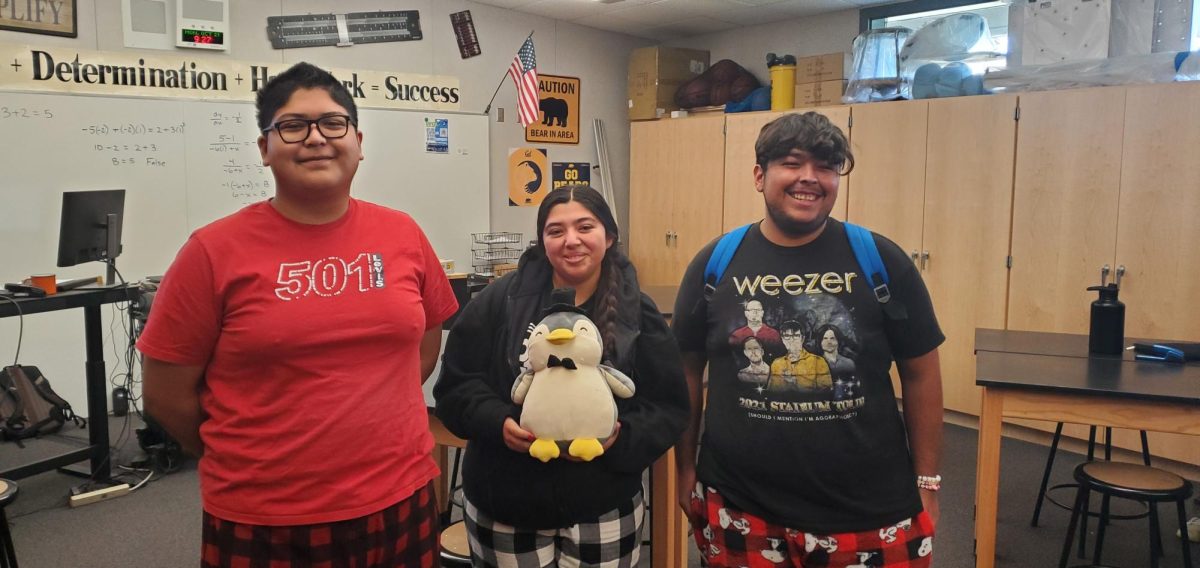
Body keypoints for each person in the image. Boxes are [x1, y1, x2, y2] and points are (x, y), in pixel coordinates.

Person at [137, 62, 458, 568]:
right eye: (292, 126)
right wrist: (246, 456)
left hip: (401, 493)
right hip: (266, 515)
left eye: (333, 123)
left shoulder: (403, 234)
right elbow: (165, 393)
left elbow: (425, 340)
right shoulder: (212, 251)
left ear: (358, 140)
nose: (315, 138)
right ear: (265, 148)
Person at [673, 112, 945, 567]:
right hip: (739, 507)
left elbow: (921, 372)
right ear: (760, 176)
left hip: (870, 510)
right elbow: (685, 368)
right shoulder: (715, 263)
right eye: (792, 163)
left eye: (826, 166)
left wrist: (928, 482)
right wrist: (684, 470)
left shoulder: (881, 260)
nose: (809, 178)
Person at [434, 185, 689, 568]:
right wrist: (498, 421)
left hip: (603, 503)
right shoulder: (499, 301)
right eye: (556, 231)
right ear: (542, 240)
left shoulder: (638, 312)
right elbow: (455, 388)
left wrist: (620, 440)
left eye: (585, 227)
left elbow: (667, 405)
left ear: (609, 235)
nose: (572, 241)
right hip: (505, 502)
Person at [766, 320, 832, 393]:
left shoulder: (818, 362)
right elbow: (771, 393)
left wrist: (795, 384)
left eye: (796, 336)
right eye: (787, 336)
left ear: (802, 339)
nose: (791, 340)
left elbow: (826, 394)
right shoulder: (776, 364)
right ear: (782, 340)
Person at [815, 322, 860, 400]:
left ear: (838, 340)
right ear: (820, 342)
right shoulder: (814, 364)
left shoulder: (849, 363)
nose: (829, 342)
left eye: (832, 338)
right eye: (825, 338)